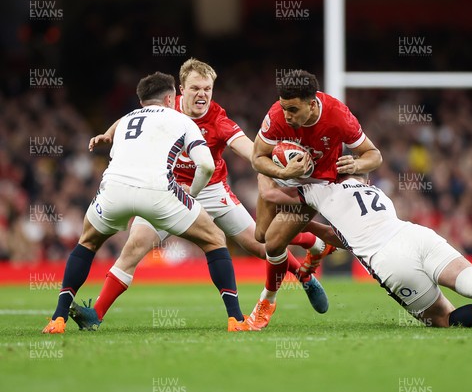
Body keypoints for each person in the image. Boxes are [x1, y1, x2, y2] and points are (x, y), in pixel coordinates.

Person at [68, 59, 332, 333]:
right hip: (166, 190)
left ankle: (304, 274)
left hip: (211, 189)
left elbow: (251, 152)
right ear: (181, 89)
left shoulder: (218, 120)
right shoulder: (166, 107)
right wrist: (108, 134)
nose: (202, 94)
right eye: (195, 88)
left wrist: (282, 167)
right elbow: (130, 119)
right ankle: (95, 315)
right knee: (135, 246)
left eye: (208, 88)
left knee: (259, 243)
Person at [42, 71, 255, 333]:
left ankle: (58, 319)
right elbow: (206, 165)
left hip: (114, 189)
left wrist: (106, 135)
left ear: (141, 101)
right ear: (170, 98)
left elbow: (119, 134)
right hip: (158, 191)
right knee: (214, 239)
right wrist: (191, 195)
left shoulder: (127, 118)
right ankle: (236, 319)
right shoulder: (181, 119)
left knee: (86, 242)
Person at [259, 172, 472, 328]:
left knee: (445, 319)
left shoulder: (311, 192)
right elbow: (350, 232)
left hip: (389, 260)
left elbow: (270, 199)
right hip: (413, 233)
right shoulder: (361, 180)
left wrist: (263, 165)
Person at [246, 70, 383, 329]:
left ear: (312, 104)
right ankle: (317, 244)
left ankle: (267, 302)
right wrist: (282, 172)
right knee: (261, 236)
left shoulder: (338, 116)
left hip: (315, 184)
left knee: (274, 244)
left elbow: (374, 155)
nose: (287, 115)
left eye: (293, 110)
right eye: (284, 107)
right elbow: (257, 157)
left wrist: (355, 163)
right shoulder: (277, 114)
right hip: (281, 173)